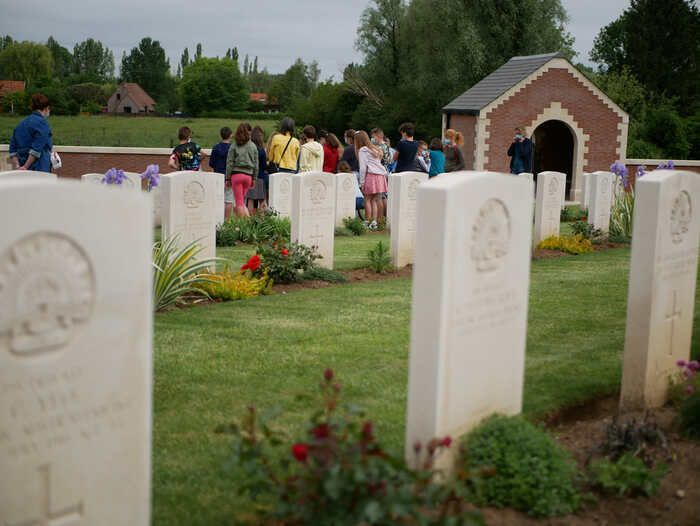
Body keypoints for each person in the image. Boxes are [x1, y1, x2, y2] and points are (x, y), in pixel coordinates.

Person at [9, 93, 53, 172]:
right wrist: (26, 167)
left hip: (21, 169)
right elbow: (36, 150)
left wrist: (18, 166)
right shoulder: (42, 123)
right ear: (46, 108)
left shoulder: (21, 124)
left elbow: (12, 150)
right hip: (39, 169)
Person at [225, 123, 259, 218]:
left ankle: (245, 224)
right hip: (248, 176)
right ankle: (246, 223)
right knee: (242, 202)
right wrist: (254, 178)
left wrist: (227, 178)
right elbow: (256, 164)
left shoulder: (234, 145)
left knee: (239, 203)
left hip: (236, 175)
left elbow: (230, 163)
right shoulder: (253, 146)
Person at [356, 130, 387, 230]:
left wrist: (362, 182)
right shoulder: (375, 149)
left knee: (367, 199)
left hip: (371, 175)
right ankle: (374, 222)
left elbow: (363, 168)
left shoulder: (363, 150)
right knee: (374, 200)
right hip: (380, 176)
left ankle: (367, 221)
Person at [246, 126, 268, 214]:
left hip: (250, 176)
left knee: (250, 200)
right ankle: (261, 220)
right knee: (261, 200)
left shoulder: (248, 148)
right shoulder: (261, 150)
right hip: (260, 177)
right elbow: (264, 165)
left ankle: (249, 220)